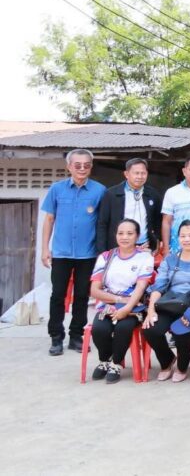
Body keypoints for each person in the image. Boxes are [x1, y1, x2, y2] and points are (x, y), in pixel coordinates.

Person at [41, 148, 106, 356]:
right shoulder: (57, 189)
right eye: (77, 165)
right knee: (58, 295)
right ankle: (56, 337)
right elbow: (49, 219)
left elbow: (103, 222)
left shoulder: (99, 191)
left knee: (81, 295)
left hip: (88, 253)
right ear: (69, 166)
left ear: (91, 167)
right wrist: (45, 248)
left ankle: (76, 336)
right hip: (61, 252)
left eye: (86, 165)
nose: (82, 169)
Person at [142, 220, 190, 382]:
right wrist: (151, 309)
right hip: (170, 303)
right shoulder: (170, 259)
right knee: (150, 329)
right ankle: (167, 361)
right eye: (183, 236)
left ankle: (182, 365)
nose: (186, 239)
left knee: (183, 328)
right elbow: (159, 286)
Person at [88, 219, 154, 383]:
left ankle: (116, 363)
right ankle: (105, 360)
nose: (125, 237)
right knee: (99, 329)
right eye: (121, 233)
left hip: (134, 307)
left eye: (130, 233)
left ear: (137, 236)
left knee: (123, 327)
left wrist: (127, 307)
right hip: (108, 305)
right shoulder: (106, 257)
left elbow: (141, 287)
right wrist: (118, 299)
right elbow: (94, 290)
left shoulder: (145, 258)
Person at [96, 157, 162, 255]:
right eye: (136, 173)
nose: (140, 176)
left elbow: (158, 221)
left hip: (145, 246)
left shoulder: (153, 194)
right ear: (126, 174)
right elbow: (102, 223)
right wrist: (102, 252)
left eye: (143, 173)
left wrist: (156, 240)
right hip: (118, 247)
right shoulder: (111, 194)